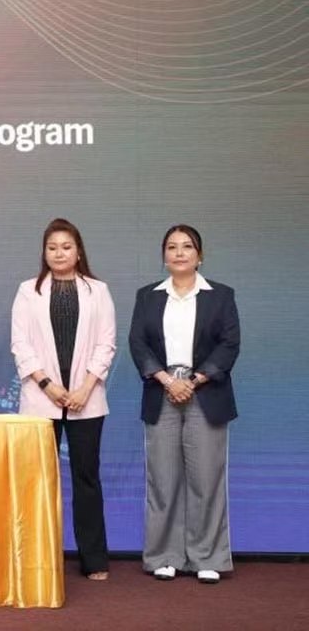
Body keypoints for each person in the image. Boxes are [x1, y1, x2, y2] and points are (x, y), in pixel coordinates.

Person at [129, 224, 239, 585]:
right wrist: (167, 380)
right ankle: (164, 555)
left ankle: (206, 556)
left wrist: (193, 381)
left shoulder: (220, 296)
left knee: (206, 478)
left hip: (205, 392)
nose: (179, 253)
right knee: (163, 479)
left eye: (187, 246)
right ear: (164, 255)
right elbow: (138, 343)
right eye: (172, 247)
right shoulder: (148, 296)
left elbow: (229, 344)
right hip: (161, 390)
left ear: (199, 255)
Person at [10, 218, 115, 581]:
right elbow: (20, 344)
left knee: (87, 479)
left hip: (88, 398)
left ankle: (94, 560)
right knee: (38, 480)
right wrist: (47, 385)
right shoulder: (28, 291)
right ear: (44, 252)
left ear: (79, 251)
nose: (59, 253)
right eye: (52, 247)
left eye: (66, 247)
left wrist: (85, 388)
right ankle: (35, 558)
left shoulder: (98, 291)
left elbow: (106, 344)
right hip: (41, 398)